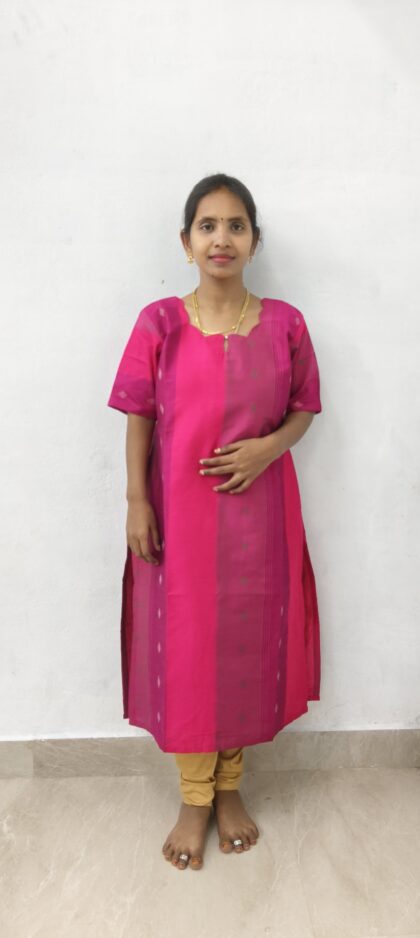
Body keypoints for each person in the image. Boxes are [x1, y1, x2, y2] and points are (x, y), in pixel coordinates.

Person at [107, 172, 323, 872]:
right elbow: (139, 417)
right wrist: (137, 501)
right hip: (179, 519)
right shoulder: (160, 323)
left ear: (255, 241)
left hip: (261, 517)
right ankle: (195, 796)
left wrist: (269, 447)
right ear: (186, 242)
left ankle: (230, 787)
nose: (221, 238)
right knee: (188, 652)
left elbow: (304, 409)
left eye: (236, 225)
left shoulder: (285, 324)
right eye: (208, 225)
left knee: (243, 650)